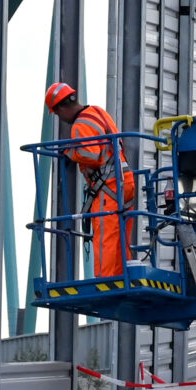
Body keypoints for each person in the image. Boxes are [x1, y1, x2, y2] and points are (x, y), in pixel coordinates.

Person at [46, 83, 135, 278]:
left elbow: (91, 156)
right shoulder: (97, 112)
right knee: (120, 236)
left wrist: (70, 152)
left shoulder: (81, 125)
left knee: (105, 237)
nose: (62, 119)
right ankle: (122, 276)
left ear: (61, 109)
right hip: (124, 181)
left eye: (58, 115)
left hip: (109, 187)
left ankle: (106, 281)